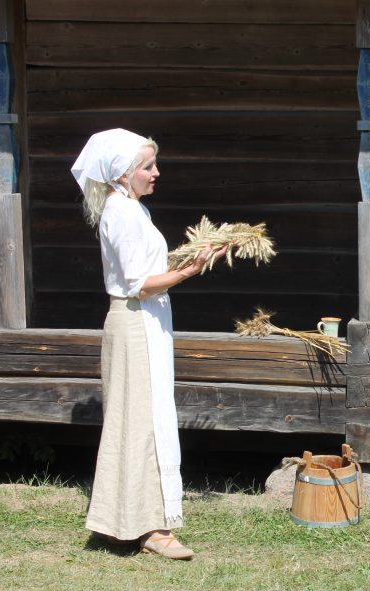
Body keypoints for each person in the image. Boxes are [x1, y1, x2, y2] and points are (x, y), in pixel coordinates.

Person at [71, 129, 225, 560]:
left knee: (140, 419)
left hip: (145, 321)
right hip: (136, 320)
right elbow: (140, 285)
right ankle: (150, 527)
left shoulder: (132, 209)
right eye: (147, 166)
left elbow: (145, 268)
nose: (156, 173)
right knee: (141, 421)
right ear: (123, 174)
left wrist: (188, 255)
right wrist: (190, 270)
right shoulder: (120, 212)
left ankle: (125, 519)